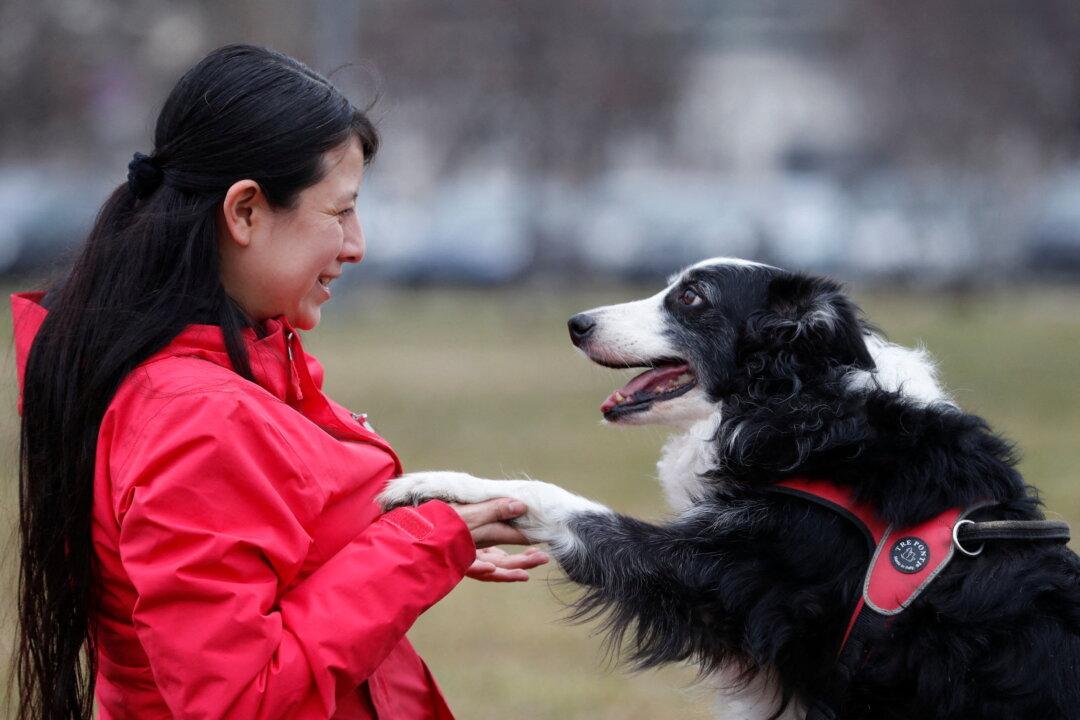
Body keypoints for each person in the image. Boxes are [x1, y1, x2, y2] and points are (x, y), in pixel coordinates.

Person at [12, 44, 548, 720]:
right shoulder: (199, 420)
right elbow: (239, 697)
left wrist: (416, 536)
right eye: (339, 212)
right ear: (244, 212)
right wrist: (415, 550)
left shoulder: (201, 371)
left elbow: (264, 553)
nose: (357, 244)